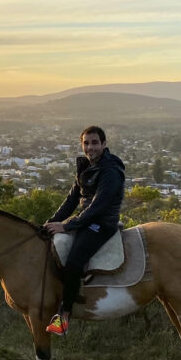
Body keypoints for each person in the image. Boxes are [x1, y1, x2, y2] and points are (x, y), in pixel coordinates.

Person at [42, 125, 126, 336]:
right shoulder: (85, 167)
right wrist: (50, 222)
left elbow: (99, 205)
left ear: (104, 144)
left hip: (101, 223)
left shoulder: (111, 171)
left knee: (74, 261)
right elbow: (71, 200)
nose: (90, 147)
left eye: (95, 142)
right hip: (84, 220)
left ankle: (64, 317)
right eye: (86, 143)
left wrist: (68, 225)